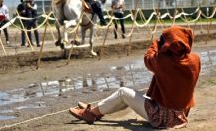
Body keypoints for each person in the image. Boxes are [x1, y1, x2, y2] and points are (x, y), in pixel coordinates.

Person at [69, 25, 201, 129]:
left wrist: (156, 43)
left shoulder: (163, 60)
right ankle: (96, 110)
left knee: (123, 93)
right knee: (130, 96)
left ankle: (90, 114)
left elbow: (148, 58)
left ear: (169, 44)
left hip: (162, 116)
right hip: (181, 113)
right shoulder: (195, 60)